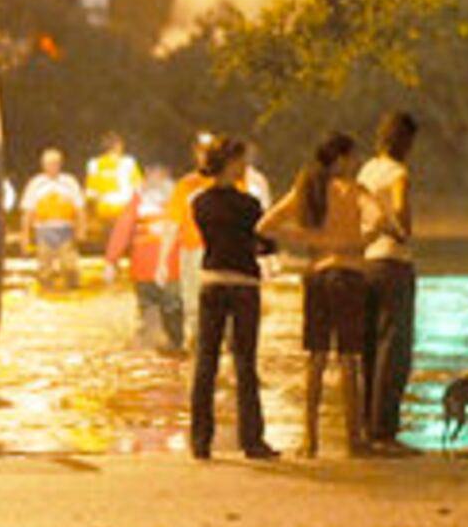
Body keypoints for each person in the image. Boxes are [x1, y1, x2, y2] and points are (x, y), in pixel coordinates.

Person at [257, 132, 391, 457]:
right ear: (341, 159)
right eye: (353, 157)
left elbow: (265, 225)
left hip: (316, 276)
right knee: (349, 359)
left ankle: (310, 439)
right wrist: (354, 243)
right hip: (348, 276)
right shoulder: (354, 191)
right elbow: (380, 220)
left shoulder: (306, 190)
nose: (357, 162)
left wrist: (309, 238)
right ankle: (353, 439)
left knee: (315, 358)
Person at [188, 135, 280, 460]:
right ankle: (251, 440)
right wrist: (253, 244)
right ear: (231, 163)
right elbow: (268, 243)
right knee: (245, 363)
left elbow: (213, 236)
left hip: (212, 281)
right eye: (242, 160)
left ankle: (200, 440)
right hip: (243, 284)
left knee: (205, 363)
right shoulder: (249, 205)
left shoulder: (199, 203)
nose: (245, 167)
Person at [358, 111, 419, 455]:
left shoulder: (367, 170)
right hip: (394, 262)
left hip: (366, 262)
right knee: (393, 349)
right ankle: (385, 431)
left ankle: (367, 426)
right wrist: (402, 225)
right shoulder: (399, 174)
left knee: (368, 348)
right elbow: (403, 219)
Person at [106, 166, 183, 353]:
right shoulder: (136, 203)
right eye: (151, 174)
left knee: (171, 307)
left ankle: (170, 345)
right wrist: (111, 260)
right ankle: (162, 346)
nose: (155, 179)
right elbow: (122, 231)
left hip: (172, 269)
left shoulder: (180, 203)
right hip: (146, 270)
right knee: (154, 308)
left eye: (159, 174)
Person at [166, 133, 217, 342]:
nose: (203, 156)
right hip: (191, 248)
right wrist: (162, 259)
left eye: (208, 151)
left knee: (216, 298)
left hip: (219, 250)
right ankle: (195, 337)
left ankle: (214, 338)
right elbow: (173, 222)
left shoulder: (232, 182)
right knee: (191, 299)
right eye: (200, 151)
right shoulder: (186, 185)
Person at [21, 148, 87, 290]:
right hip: (44, 232)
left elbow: (80, 208)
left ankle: (72, 295)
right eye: (48, 163)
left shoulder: (70, 182)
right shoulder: (35, 184)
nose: (52, 167)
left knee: (69, 267)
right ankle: (46, 297)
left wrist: (82, 229)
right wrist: (25, 237)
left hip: (66, 231)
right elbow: (27, 212)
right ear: (42, 165)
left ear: (60, 164)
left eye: (55, 163)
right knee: (44, 271)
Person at [85, 132, 144, 239]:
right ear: (118, 146)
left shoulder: (94, 164)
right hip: (124, 209)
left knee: (109, 241)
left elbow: (91, 193)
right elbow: (138, 187)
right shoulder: (128, 162)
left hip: (104, 211)